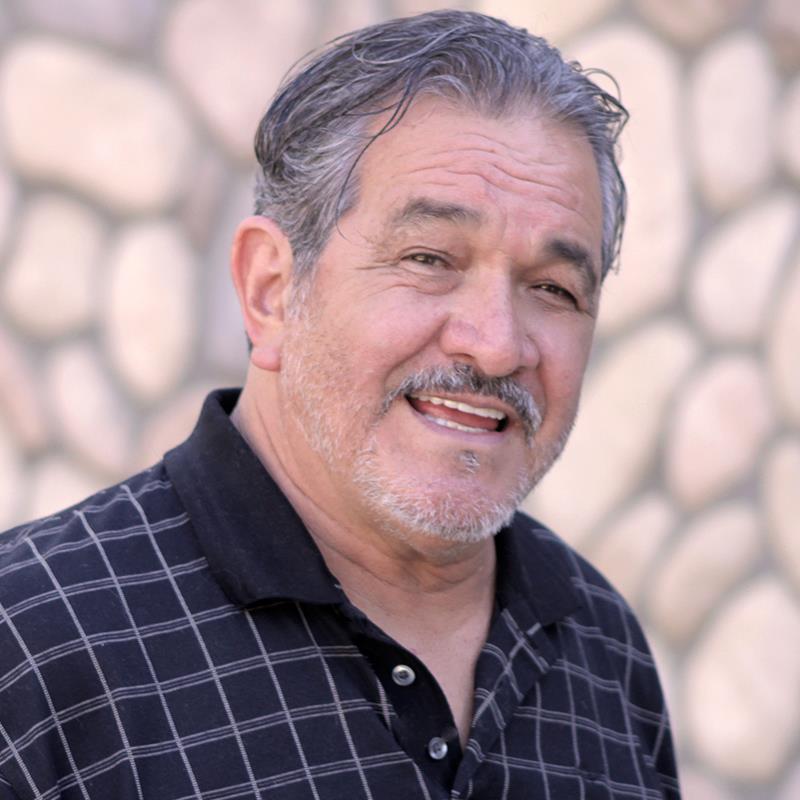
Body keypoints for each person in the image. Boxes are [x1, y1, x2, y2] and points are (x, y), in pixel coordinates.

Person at [0, 10, 680, 799]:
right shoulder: (30, 645)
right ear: (271, 289)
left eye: (553, 288)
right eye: (430, 258)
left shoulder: (601, 642)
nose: (497, 345)